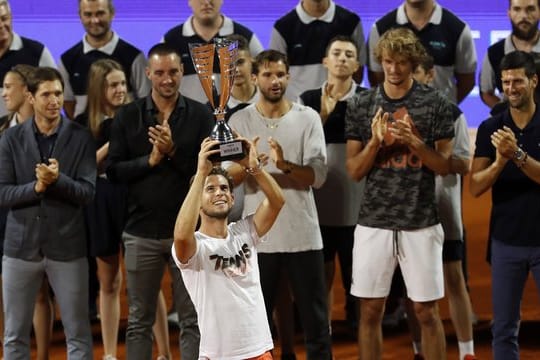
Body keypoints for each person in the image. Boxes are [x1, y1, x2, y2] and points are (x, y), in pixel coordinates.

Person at [345, 27, 454, 360]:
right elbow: (354, 170)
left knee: (425, 312)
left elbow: (444, 166)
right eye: (388, 62)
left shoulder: (435, 103)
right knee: (370, 311)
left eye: (402, 62)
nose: (393, 69)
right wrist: (376, 142)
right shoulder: (361, 103)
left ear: (413, 62)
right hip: (373, 222)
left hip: (420, 221)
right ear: (380, 61)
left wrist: (414, 142)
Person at [106, 43, 214, 360]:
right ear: (148, 74)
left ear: (182, 73)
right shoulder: (127, 116)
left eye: (174, 72)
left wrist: (173, 153)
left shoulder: (201, 114)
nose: (167, 79)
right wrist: (151, 161)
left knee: (192, 320)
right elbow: (113, 171)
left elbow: (206, 173)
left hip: (189, 234)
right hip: (140, 233)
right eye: (160, 73)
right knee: (139, 320)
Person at [228, 49, 332, 360]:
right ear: (256, 77)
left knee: (315, 323)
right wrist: (251, 166)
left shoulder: (308, 117)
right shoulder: (239, 119)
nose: (275, 81)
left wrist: (284, 164)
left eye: (280, 74)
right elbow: (226, 177)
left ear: (288, 76)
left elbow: (318, 176)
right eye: (268, 75)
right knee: (256, 326)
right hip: (258, 238)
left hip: (303, 236)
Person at [74, 58, 172, 360]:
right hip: (101, 200)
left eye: (122, 84)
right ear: (98, 88)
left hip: (134, 196)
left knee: (147, 281)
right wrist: (112, 139)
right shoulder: (82, 122)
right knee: (110, 282)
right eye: (112, 85)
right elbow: (84, 166)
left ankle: (165, 353)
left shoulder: (140, 115)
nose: (119, 90)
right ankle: (109, 354)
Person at [0, 66, 95, 359]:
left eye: (58, 93)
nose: (54, 100)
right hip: (20, 248)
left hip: (68, 248)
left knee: (77, 334)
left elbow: (87, 193)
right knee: (14, 336)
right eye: (46, 94)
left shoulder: (80, 137)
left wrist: (58, 181)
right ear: (30, 97)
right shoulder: (10, 139)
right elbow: (3, 194)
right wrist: (37, 187)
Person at [172, 136, 285, 359]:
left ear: (233, 198)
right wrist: (201, 172)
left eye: (224, 188)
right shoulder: (195, 246)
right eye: (210, 189)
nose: (219, 192)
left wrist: (253, 168)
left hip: (259, 350)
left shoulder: (244, 231)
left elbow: (277, 202)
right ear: (198, 200)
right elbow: (181, 236)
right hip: (218, 355)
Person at [470, 50, 540, 360]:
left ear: (534, 81)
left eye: (518, 82)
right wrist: (500, 161)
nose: (510, 88)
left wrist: (518, 156)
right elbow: (475, 186)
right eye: (505, 82)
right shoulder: (491, 129)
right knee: (504, 329)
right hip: (505, 242)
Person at [409, 55, 476, 360]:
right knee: (414, 287)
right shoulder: (394, 113)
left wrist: (427, 153)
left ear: (430, 75)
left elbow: (463, 164)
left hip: (445, 212)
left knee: (454, 278)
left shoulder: (452, 112)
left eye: (415, 73)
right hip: (407, 214)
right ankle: (419, 349)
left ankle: (466, 352)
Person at [299, 35, 364, 331]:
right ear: (325, 61)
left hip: (359, 208)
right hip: (318, 208)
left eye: (349, 54)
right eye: (336, 53)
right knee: (321, 275)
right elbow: (299, 149)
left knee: (359, 277)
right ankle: (322, 335)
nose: (341, 59)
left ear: (357, 65)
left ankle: (361, 331)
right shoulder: (307, 101)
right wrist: (322, 117)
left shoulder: (367, 100)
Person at [367, 0, 477, 104]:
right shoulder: (381, 28)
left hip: (442, 118)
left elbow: (467, 81)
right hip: (393, 118)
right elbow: (377, 80)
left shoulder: (457, 29)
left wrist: (443, 107)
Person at [59, 0, 150, 119]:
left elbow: (146, 101)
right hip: (84, 134)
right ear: (80, 16)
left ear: (112, 13)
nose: (95, 20)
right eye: (88, 14)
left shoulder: (134, 57)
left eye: (100, 13)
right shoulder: (67, 60)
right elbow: (67, 103)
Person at [162, 0, 263, 104]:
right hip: (188, 117)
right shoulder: (171, 41)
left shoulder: (245, 37)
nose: (206, 2)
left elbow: (265, 76)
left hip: (236, 116)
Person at [269, 0, 366, 101]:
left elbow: (358, 71)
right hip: (297, 108)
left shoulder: (351, 22)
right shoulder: (282, 27)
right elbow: (275, 74)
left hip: (344, 106)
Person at [0, 0, 56, 117]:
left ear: (11, 17)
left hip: (27, 132)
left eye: (4, 18)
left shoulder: (37, 52)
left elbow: (55, 93)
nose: (1, 25)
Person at [480, 0, 540, 109]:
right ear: (509, 13)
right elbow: (486, 93)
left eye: (530, 9)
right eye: (517, 9)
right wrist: (507, 114)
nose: (524, 16)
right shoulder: (494, 53)